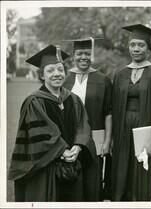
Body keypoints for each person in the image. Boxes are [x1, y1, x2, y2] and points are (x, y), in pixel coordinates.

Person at [8, 45, 96, 201]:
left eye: (60, 70)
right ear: (42, 75)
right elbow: (41, 133)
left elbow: (84, 126)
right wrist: (63, 150)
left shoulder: (73, 99)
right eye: (50, 71)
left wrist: (78, 146)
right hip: (46, 170)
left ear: (65, 73)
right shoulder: (34, 101)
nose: (57, 74)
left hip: (73, 166)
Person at [111, 24, 151, 201]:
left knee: (141, 168)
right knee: (121, 168)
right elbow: (112, 107)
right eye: (133, 44)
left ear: (148, 48)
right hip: (122, 128)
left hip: (145, 127)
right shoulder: (120, 73)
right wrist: (111, 138)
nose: (136, 49)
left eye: (141, 45)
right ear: (128, 46)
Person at [63, 37, 112, 201]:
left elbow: (108, 113)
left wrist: (107, 142)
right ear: (73, 55)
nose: (83, 57)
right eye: (79, 53)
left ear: (92, 55)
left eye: (86, 53)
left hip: (95, 138)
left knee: (93, 181)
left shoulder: (103, 80)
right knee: (72, 181)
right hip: (69, 138)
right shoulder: (65, 79)